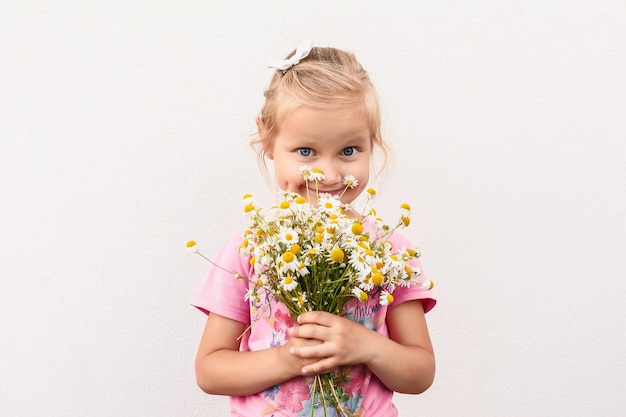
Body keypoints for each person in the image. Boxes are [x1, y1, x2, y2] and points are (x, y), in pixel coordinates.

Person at [191, 39, 436, 417]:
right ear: (268, 140)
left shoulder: (390, 250)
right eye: (306, 151)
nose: (330, 174)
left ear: (372, 142)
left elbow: (420, 373)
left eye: (349, 151)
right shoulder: (251, 247)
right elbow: (209, 371)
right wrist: (292, 356)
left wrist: (366, 346)